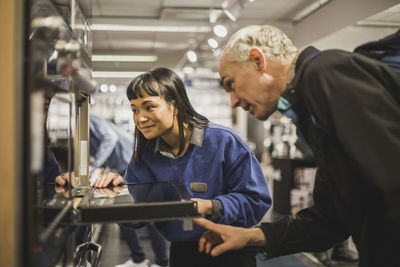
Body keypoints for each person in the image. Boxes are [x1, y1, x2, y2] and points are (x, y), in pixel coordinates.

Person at [192, 25, 400, 267]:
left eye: (231, 84)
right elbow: (330, 220)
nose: (233, 102)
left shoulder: (323, 72)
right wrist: (251, 236)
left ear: (258, 61)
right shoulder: (309, 107)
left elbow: (393, 186)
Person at [93, 67, 272, 267]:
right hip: (182, 253)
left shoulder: (223, 141)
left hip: (231, 250)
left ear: (175, 106)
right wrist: (117, 193)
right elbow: (134, 220)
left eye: (149, 107)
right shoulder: (144, 157)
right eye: (135, 109)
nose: (140, 118)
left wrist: (213, 206)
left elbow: (257, 200)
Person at [58, 115, 170, 267]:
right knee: (122, 213)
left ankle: (162, 262)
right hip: (124, 167)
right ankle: (139, 259)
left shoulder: (88, 119)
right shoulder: (83, 130)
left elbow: (110, 138)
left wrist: (95, 164)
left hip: (135, 163)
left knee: (150, 212)